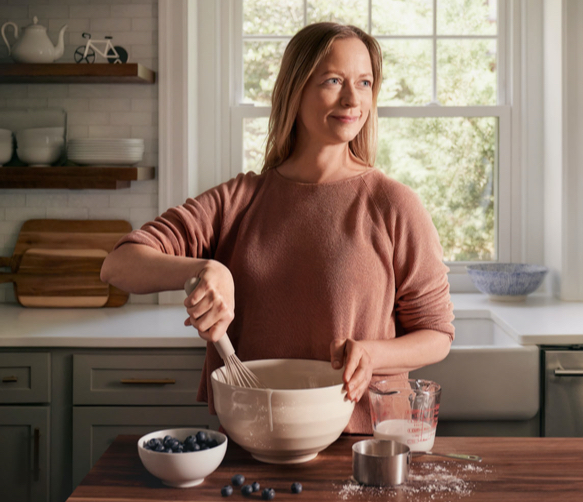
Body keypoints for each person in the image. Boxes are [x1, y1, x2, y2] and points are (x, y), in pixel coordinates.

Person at [100, 22, 454, 434]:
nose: (352, 98)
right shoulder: (239, 200)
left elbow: (437, 333)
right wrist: (203, 270)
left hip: (360, 443)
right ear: (295, 89)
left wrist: (373, 355)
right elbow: (118, 265)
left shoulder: (393, 204)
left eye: (364, 82)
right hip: (254, 437)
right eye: (333, 80)